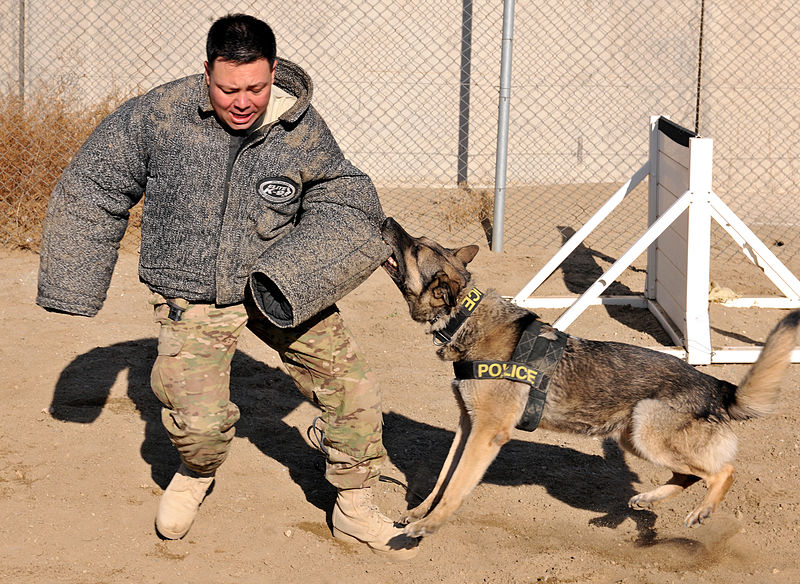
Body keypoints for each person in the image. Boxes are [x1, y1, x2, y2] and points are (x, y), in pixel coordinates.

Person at [36, 13, 419, 559]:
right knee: (201, 426)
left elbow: (345, 196)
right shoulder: (160, 114)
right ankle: (196, 472)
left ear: (273, 74)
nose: (244, 101)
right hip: (193, 293)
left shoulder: (300, 125)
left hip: (278, 283)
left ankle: (355, 505)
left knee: (351, 387)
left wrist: (303, 270)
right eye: (228, 88)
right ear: (207, 73)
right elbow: (95, 182)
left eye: (257, 88)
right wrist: (73, 285)